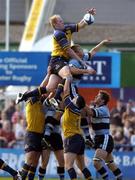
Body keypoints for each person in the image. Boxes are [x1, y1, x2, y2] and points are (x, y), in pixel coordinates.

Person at [17, 68, 51, 180]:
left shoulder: (41, 105)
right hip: (31, 133)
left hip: (39, 135)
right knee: (30, 159)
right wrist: (49, 75)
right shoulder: (31, 102)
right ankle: (21, 177)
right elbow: (41, 88)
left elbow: (47, 94)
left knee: (35, 162)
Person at [86, 90, 123, 180]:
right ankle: (120, 177)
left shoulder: (103, 109)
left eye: (98, 96)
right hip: (99, 138)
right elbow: (86, 112)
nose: (95, 97)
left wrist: (81, 103)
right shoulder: (96, 107)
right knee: (110, 164)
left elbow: (90, 112)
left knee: (96, 162)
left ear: (102, 101)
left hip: (104, 138)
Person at [61, 77, 93, 180]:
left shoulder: (70, 107)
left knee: (68, 166)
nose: (73, 98)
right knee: (82, 166)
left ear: (76, 102)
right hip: (79, 138)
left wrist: (67, 79)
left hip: (71, 138)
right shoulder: (78, 110)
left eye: (74, 98)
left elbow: (65, 91)